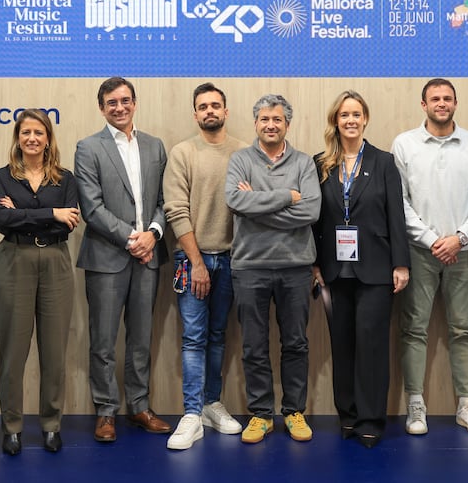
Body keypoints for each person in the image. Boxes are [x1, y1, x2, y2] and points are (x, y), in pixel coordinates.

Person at [392, 78, 468, 436]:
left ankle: (467, 404)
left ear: (455, 103)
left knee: (464, 329)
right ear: (424, 105)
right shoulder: (404, 144)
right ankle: (415, 403)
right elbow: (399, 201)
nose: (441, 103)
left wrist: (460, 237)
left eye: (447, 98)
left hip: (464, 251)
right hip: (420, 251)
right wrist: (434, 240)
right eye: (435, 98)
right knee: (414, 329)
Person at [312, 91, 410, 448]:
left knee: (371, 345)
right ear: (335, 121)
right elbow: (314, 220)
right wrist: (314, 264)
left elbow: (395, 216)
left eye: (356, 114)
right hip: (334, 271)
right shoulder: (320, 163)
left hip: (376, 268)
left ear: (365, 119)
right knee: (343, 345)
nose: (350, 120)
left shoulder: (383, 162)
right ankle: (348, 416)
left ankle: (371, 418)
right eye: (343, 115)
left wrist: (401, 264)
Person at [75, 77, 170, 443]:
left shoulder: (154, 146)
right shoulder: (88, 147)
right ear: (102, 107)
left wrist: (154, 234)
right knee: (103, 340)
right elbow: (92, 207)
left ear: (135, 103)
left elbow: (165, 200)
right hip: (107, 256)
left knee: (141, 338)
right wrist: (134, 239)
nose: (119, 107)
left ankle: (140, 406)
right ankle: (105, 412)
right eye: (111, 102)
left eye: (125, 101)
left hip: (148, 256)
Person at [225, 94, 322, 444]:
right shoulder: (240, 160)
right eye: (264, 119)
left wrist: (258, 206)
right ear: (255, 123)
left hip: (296, 267)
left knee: (295, 343)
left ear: (287, 124)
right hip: (250, 267)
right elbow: (235, 201)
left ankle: (294, 411)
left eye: (277, 120)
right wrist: (287, 196)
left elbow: (310, 212)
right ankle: (261, 414)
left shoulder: (304, 163)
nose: (270, 125)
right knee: (253, 345)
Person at [0, 109, 81, 455]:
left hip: (56, 261)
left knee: (54, 350)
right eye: (25, 132)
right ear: (17, 138)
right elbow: (3, 220)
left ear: (48, 139)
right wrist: (50, 213)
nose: (32, 138)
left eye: (38, 133)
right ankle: (11, 427)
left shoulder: (65, 179)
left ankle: (51, 425)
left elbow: (68, 223)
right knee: (12, 350)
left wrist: (25, 215)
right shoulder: (1, 177)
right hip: (14, 260)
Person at [162, 83, 247, 450]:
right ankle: (192, 414)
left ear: (226, 111)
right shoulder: (182, 153)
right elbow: (176, 210)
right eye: (202, 106)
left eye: (215, 105)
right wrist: (196, 262)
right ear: (195, 114)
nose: (209, 111)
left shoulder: (245, 153)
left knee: (217, 336)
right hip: (192, 259)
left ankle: (212, 404)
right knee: (194, 337)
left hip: (233, 260)